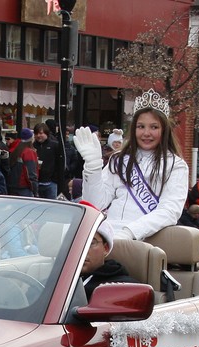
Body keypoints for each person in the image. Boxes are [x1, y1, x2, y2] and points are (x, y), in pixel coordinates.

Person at [75, 88, 189, 241]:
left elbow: (169, 211)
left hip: (145, 241)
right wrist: (92, 166)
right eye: (141, 126)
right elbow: (96, 203)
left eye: (154, 127)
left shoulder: (175, 165)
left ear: (164, 130)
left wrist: (130, 232)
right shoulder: (119, 159)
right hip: (106, 235)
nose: (146, 133)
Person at [81, 219, 137, 299]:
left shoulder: (122, 286)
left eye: (91, 243)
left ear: (105, 248)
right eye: (75, 242)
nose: (82, 249)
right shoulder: (60, 278)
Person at [33, 123, 65, 200]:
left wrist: (56, 178)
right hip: (37, 182)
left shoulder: (54, 145)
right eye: (36, 133)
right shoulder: (33, 145)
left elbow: (60, 163)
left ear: (46, 133)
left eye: (41, 133)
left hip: (51, 182)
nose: (38, 136)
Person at [6, 128, 40, 197]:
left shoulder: (16, 150)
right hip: (24, 188)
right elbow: (31, 174)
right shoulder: (29, 152)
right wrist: (35, 191)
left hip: (13, 187)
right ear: (31, 139)